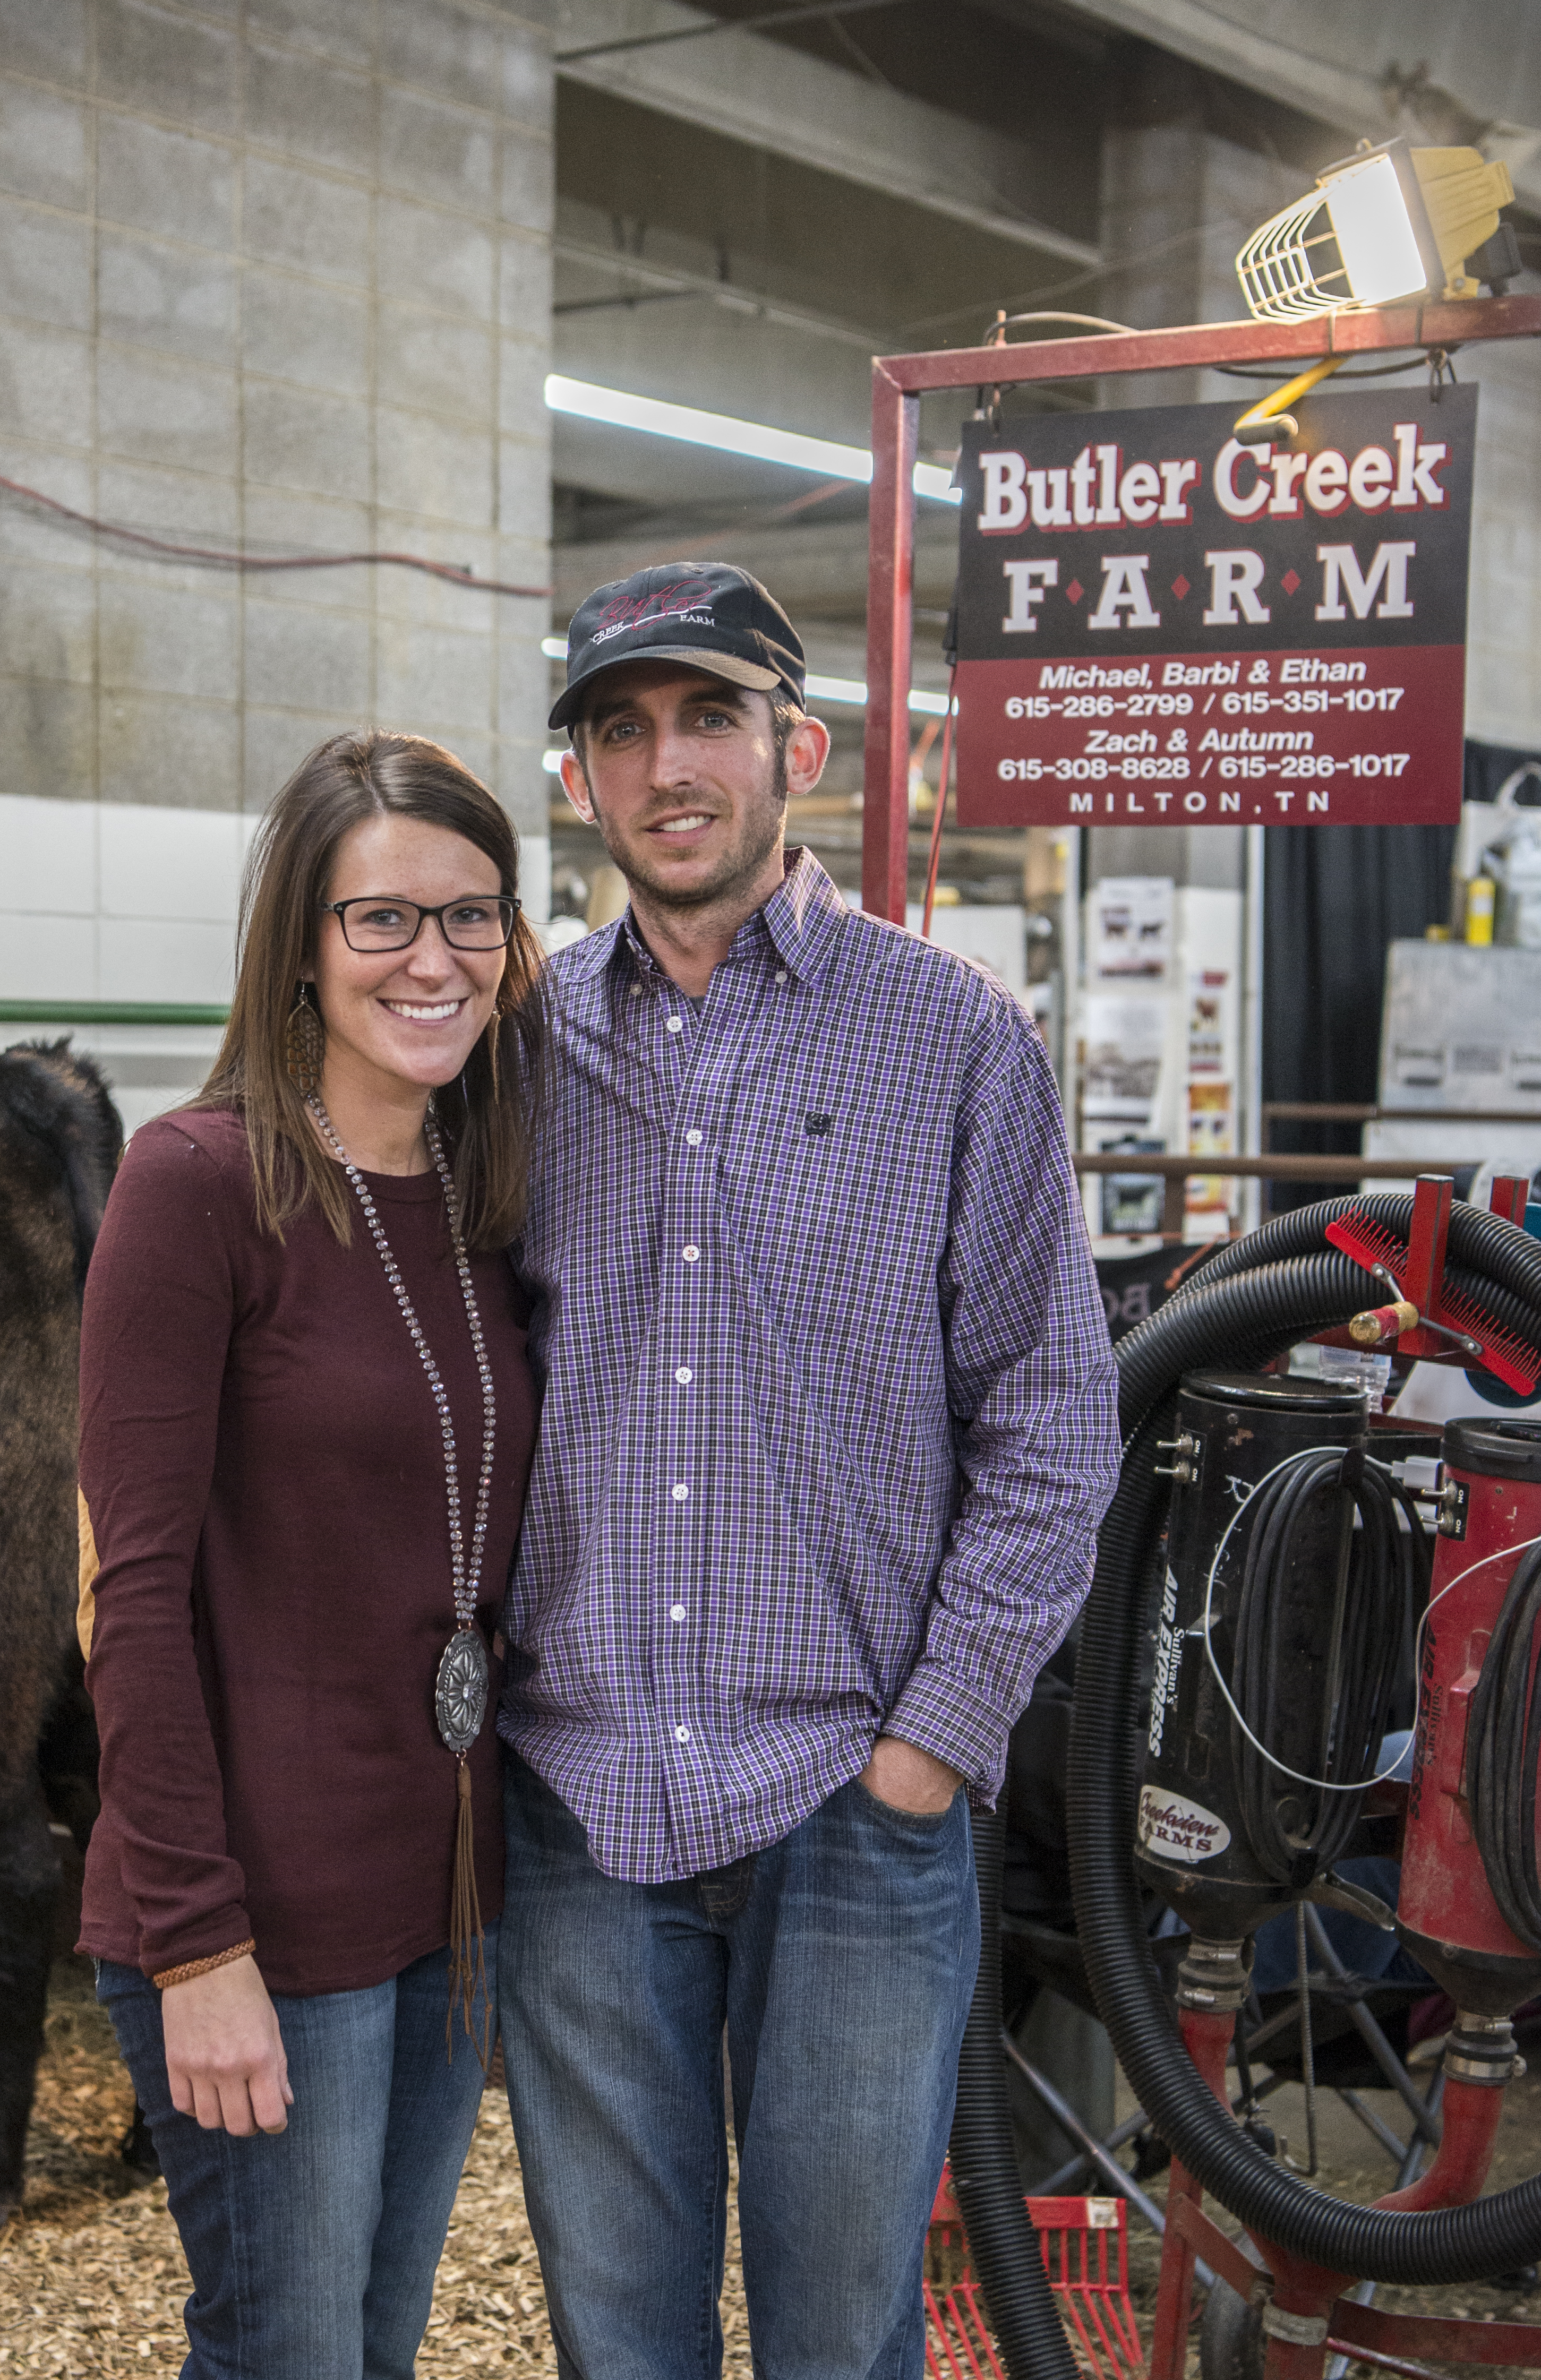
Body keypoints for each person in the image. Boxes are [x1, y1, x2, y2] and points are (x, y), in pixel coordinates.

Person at [500, 562, 1121, 2377]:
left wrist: (934, 1744)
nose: (665, 765)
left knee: (846, 2343)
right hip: (577, 1804)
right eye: (621, 731)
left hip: (854, 1803)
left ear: (802, 748)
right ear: (580, 783)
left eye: (706, 718)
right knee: (619, 2342)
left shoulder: (953, 1040)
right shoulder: (518, 1052)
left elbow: (1051, 1419)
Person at [78, 732, 544, 2379]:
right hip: (262, 1913)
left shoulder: (489, 1191)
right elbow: (125, 1599)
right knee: (285, 2352)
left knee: (371, 2343)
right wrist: (197, 1944)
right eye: (383, 920)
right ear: (300, 942)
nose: (435, 958)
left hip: (446, 1899)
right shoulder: (196, 1183)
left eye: (472, 915)